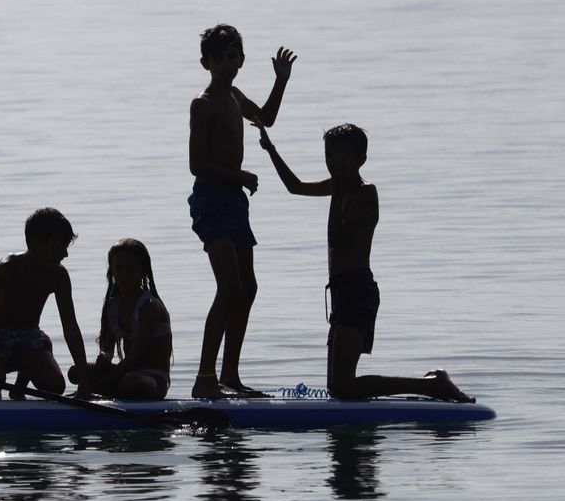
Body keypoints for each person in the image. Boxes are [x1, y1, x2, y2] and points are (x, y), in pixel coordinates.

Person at [257, 123, 474, 402]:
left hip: (357, 292)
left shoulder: (365, 193)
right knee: (338, 387)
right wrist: (270, 149)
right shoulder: (338, 187)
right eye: (329, 155)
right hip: (339, 292)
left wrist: (335, 191)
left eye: (341, 156)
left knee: (344, 386)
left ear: (360, 158)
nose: (333, 162)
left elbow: (338, 240)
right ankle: (429, 387)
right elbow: (295, 187)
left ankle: (433, 385)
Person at [189, 23, 297, 399]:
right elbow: (197, 165)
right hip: (212, 200)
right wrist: (239, 173)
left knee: (247, 287)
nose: (227, 63)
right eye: (219, 58)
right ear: (206, 62)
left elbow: (265, 118)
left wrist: (280, 81)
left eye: (233, 56)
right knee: (229, 286)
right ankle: (205, 378)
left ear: (241, 59)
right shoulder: (202, 104)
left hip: (235, 201)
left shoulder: (235, 95)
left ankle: (230, 376)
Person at [0, 207, 90, 399]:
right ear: (37, 244)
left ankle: (20, 386)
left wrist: (85, 381)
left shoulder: (59, 276)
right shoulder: (7, 268)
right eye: (60, 247)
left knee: (54, 386)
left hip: (28, 337)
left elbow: (70, 328)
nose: (65, 254)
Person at [70, 238, 173, 399]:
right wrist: (104, 357)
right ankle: (103, 392)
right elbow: (107, 348)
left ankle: (100, 393)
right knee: (76, 371)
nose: (125, 276)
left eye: (131, 269)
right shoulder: (112, 305)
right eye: (119, 269)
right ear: (112, 271)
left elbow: (134, 358)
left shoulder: (150, 307)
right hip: (125, 372)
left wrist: (96, 388)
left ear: (143, 270)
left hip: (152, 380)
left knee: (129, 382)